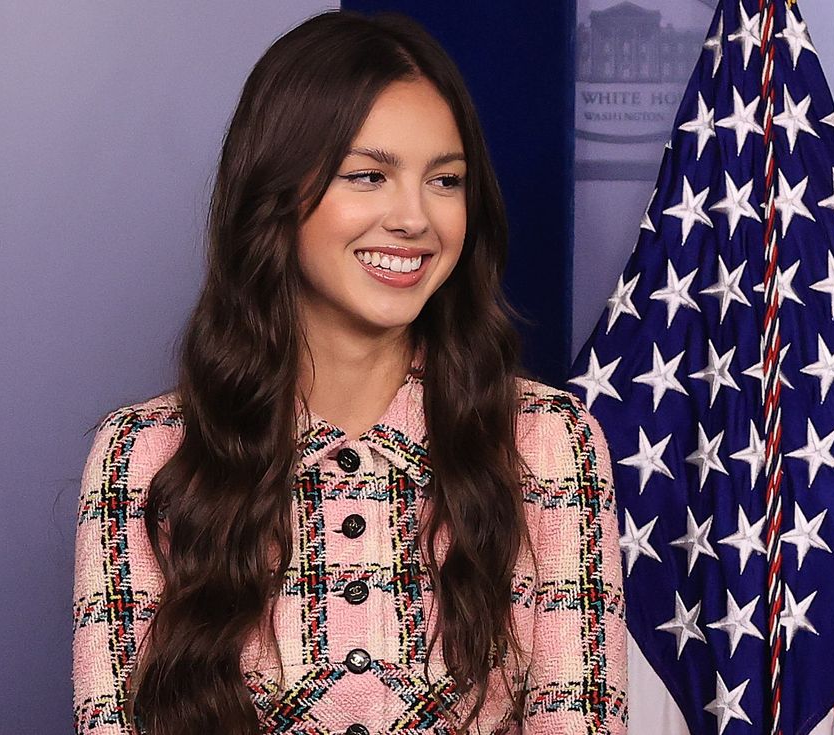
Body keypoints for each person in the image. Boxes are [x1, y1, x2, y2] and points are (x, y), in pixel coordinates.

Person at [71, 10, 627, 735]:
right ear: (276, 193)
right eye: (369, 175)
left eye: (446, 180)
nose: (414, 218)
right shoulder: (142, 454)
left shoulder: (549, 441)